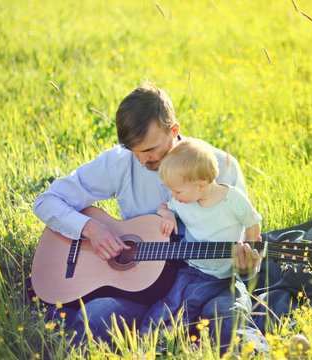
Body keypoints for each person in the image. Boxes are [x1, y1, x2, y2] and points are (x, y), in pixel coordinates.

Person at [32, 85, 266, 352]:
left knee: (227, 322)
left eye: (151, 150)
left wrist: (248, 266)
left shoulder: (220, 167)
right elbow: (47, 201)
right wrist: (91, 229)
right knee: (96, 317)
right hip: (140, 288)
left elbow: (245, 247)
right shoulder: (121, 162)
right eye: (134, 150)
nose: (142, 161)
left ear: (174, 131)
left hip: (212, 281)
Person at [140, 137, 262, 347]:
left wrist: (250, 248)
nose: (173, 196)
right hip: (192, 272)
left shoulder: (233, 200)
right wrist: (167, 214)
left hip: (227, 279)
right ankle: (154, 344)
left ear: (201, 186)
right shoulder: (183, 201)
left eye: (177, 191)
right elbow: (165, 205)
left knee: (231, 317)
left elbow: (253, 222)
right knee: (167, 309)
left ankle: (258, 352)